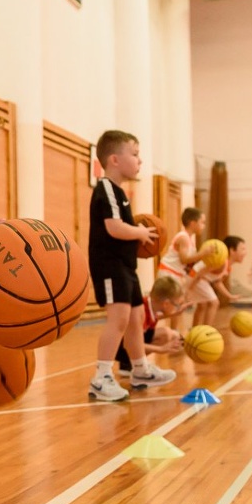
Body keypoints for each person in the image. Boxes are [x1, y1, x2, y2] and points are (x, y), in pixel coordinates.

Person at [87, 130, 177, 402]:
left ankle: (140, 370)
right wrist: (140, 232)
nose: (140, 161)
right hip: (109, 266)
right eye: (135, 154)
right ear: (114, 159)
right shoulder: (106, 189)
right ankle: (101, 377)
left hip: (126, 266)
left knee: (137, 319)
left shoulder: (121, 193)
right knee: (119, 319)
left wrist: (136, 235)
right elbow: (113, 228)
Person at [158, 206, 216, 333]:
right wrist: (203, 254)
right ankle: (171, 332)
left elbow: (189, 262)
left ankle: (174, 333)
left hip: (175, 274)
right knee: (171, 305)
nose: (203, 226)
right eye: (202, 222)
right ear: (192, 223)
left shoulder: (189, 239)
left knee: (175, 305)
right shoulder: (183, 237)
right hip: (168, 272)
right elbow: (184, 259)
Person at [115, 275, 188, 375]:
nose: (177, 307)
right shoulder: (141, 311)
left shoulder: (149, 306)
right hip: (123, 347)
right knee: (166, 334)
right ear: (166, 303)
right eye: (176, 305)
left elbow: (154, 318)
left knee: (167, 334)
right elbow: (132, 343)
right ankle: (131, 364)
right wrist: (162, 349)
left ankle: (136, 362)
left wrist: (175, 313)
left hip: (127, 343)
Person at [187, 235, 246, 328]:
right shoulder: (221, 262)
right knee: (214, 302)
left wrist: (230, 296)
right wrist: (188, 290)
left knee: (202, 305)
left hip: (198, 278)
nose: (245, 253)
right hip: (195, 277)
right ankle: (206, 330)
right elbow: (199, 273)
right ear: (232, 250)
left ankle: (194, 330)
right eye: (242, 249)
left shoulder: (227, 267)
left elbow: (216, 282)